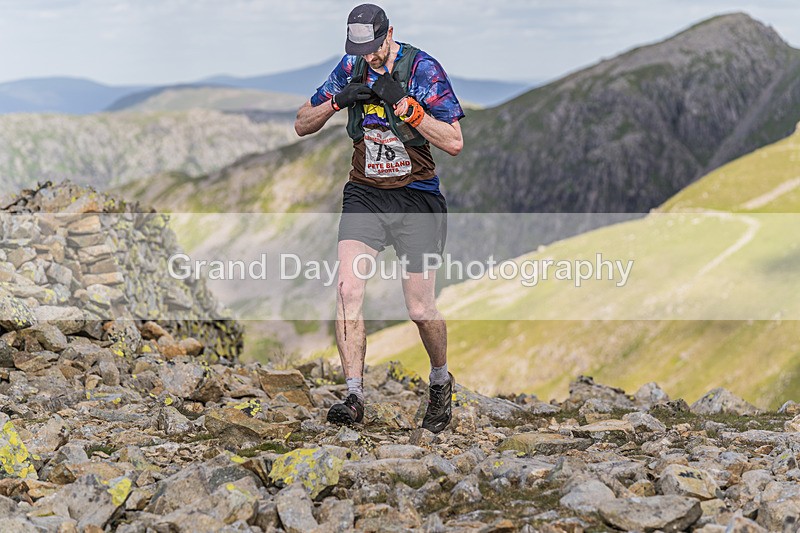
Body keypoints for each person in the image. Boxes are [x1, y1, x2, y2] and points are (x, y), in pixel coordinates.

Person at [294, 3, 464, 433]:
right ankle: (353, 396)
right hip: (365, 193)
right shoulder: (350, 67)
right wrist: (337, 100)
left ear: (391, 34)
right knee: (348, 289)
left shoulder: (423, 68)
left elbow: (455, 141)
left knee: (420, 308)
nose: (367, 56)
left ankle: (441, 381)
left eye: (373, 47)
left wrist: (408, 108)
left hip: (416, 197)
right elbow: (301, 123)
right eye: (360, 48)